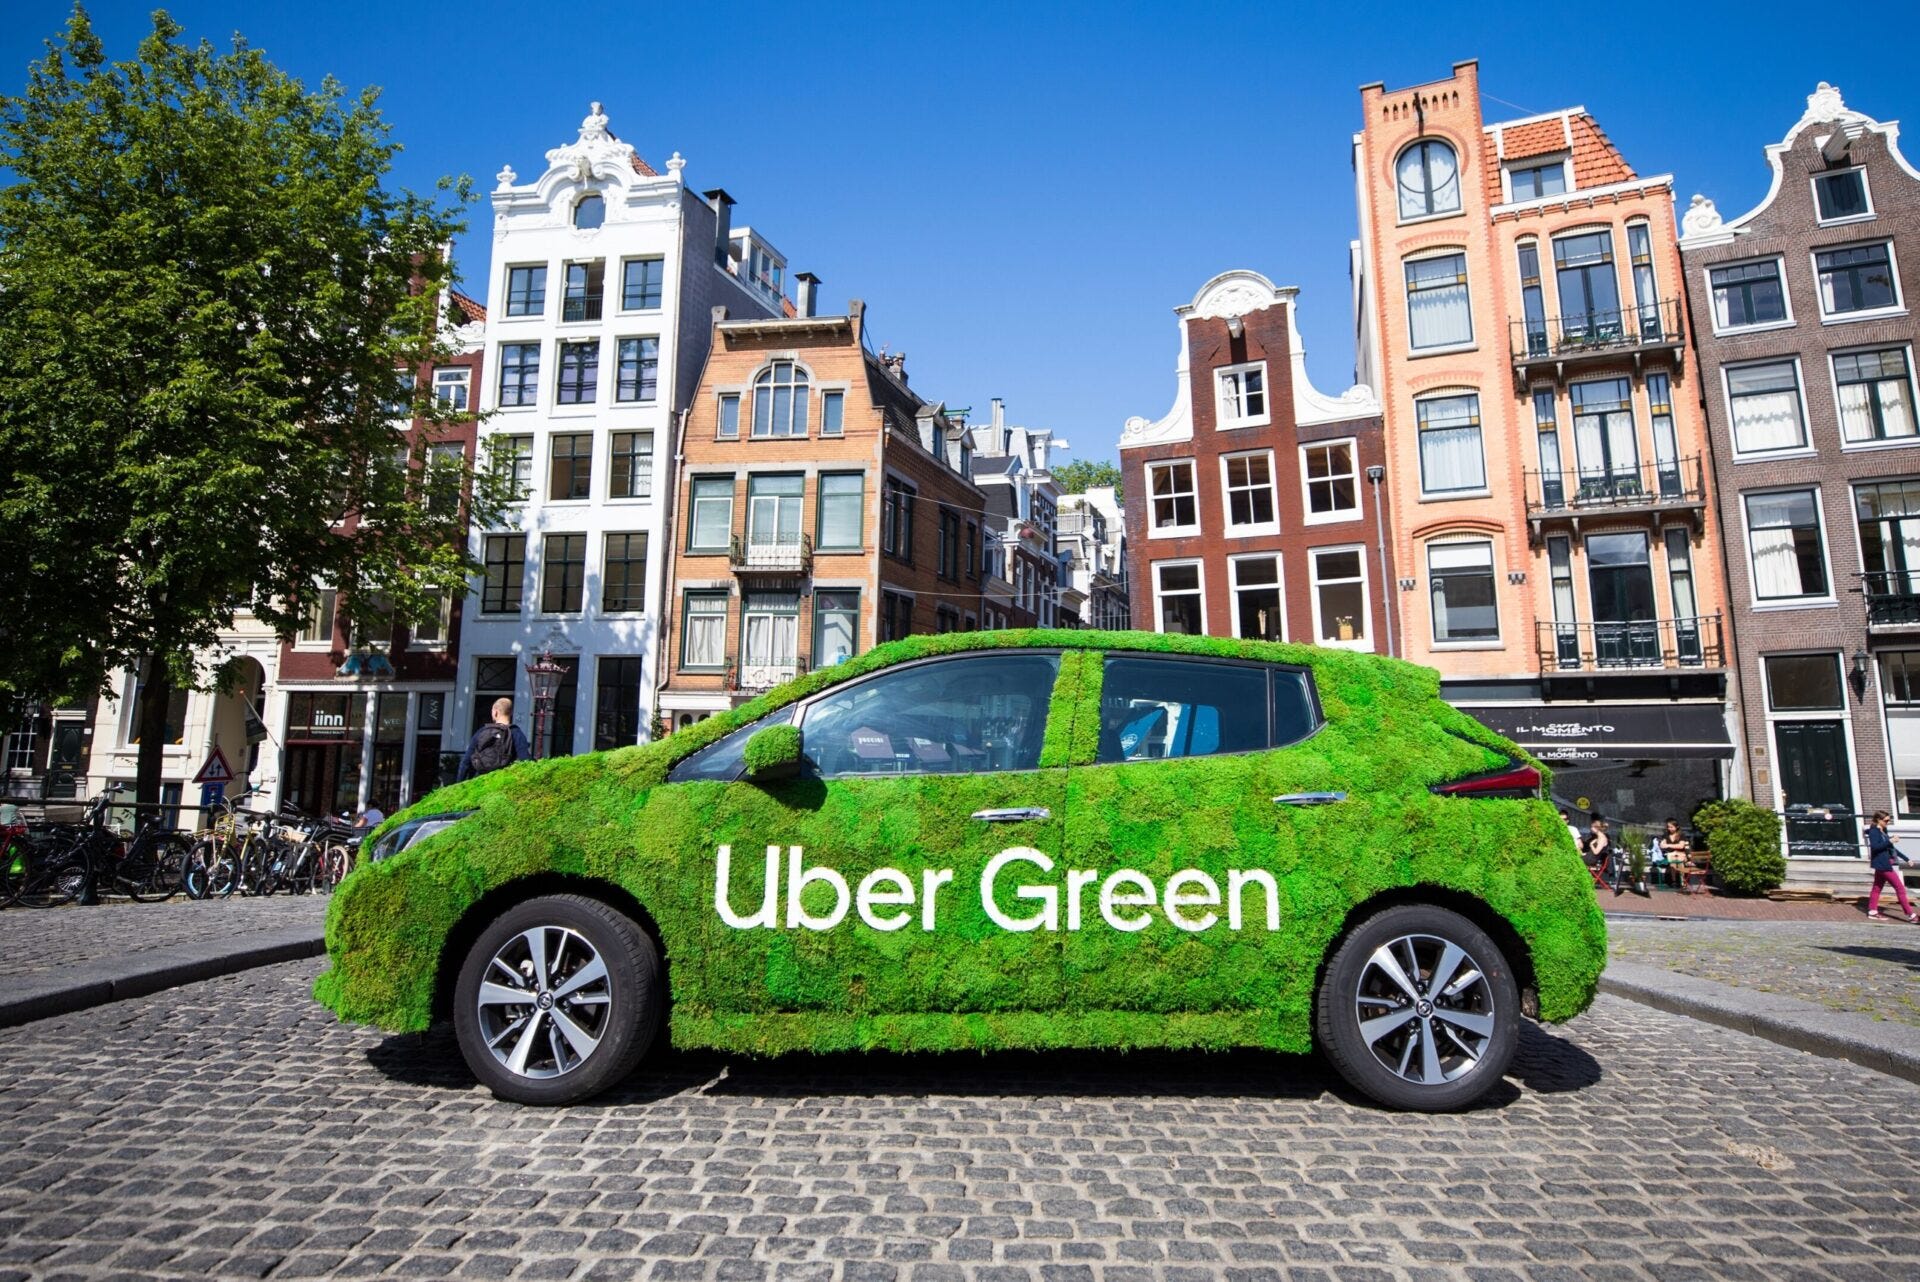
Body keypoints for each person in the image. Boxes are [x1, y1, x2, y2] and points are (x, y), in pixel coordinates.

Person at [459, 697, 532, 781]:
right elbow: (525, 760)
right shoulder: (515, 732)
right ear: (511, 713)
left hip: (481, 781)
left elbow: (466, 762)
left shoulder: (481, 731)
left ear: (495, 712)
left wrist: (459, 784)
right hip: (503, 781)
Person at [1865, 811, 1918, 923]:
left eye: (1889, 820)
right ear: (1878, 820)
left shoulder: (1883, 830)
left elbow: (1891, 848)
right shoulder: (1874, 831)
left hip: (1884, 863)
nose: (1888, 822)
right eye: (1886, 821)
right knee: (1900, 888)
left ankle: (1872, 911)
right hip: (1882, 864)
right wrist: (1889, 841)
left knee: (1877, 888)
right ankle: (1911, 915)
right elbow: (1875, 847)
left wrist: (1906, 859)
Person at [1657, 818, 1692, 891]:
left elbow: (1681, 846)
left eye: (1671, 827)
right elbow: (1662, 845)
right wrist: (1673, 847)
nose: (1669, 828)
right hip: (1671, 855)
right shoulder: (1666, 835)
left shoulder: (1681, 835)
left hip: (1681, 855)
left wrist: (1668, 845)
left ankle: (1681, 881)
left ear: (1677, 827)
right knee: (1672, 860)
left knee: (1679, 861)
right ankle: (1675, 881)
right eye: (1668, 827)